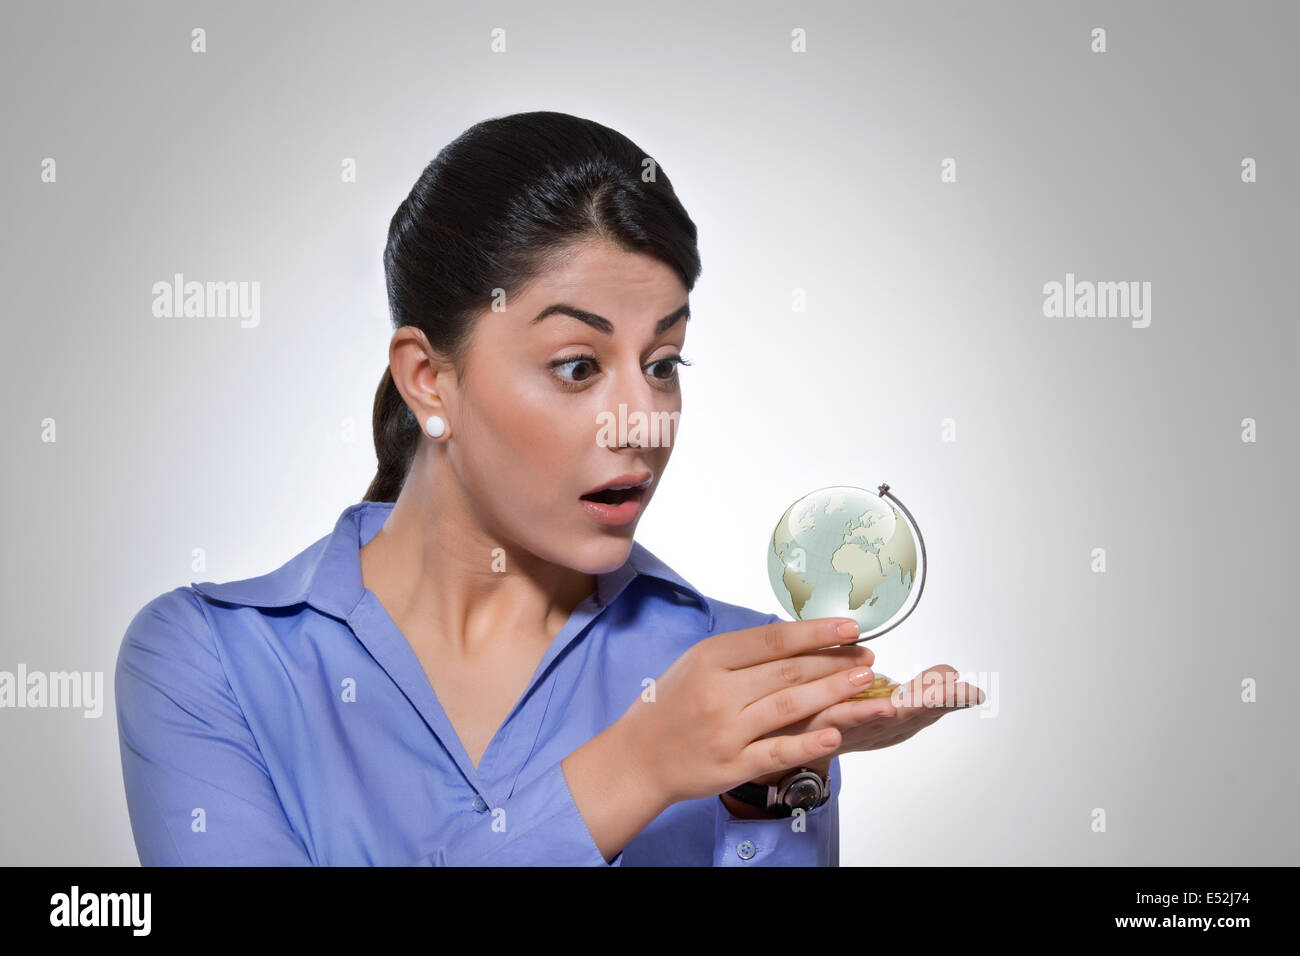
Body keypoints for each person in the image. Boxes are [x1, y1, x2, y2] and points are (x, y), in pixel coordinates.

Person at [115, 111, 983, 866]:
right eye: (577, 366)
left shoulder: (750, 679)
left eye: (663, 364)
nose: (642, 424)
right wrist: (636, 768)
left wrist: (771, 782)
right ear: (428, 380)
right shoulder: (210, 662)